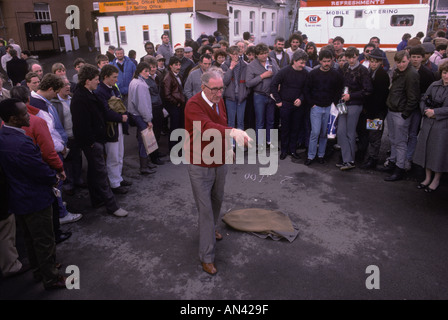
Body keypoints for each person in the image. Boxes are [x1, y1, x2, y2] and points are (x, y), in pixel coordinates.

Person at [184, 68, 251, 275]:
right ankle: (207, 256)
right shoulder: (193, 104)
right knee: (205, 210)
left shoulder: (219, 100)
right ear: (203, 87)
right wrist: (234, 131)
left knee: (217, 200)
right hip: (199, 163)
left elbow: (221, 124)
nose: (219, 93)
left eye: (221, 88)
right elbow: (206, 127)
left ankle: (212, 229)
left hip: (219, 160)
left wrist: (229, 147)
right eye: (215, 89)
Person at [0, 98, 67, 289]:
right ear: (13, 118)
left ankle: (40, 270)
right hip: (34, 198)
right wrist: (54, 177)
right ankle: (51, 277)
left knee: (31, 239)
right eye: (24, 113)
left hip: (19, 198)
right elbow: (40, 170)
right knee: (44, 240)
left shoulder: (4, 136)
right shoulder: (20, 143)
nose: (29, 116)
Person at [70, 64, 128, 217]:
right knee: (101, 174)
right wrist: (91, 142)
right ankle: (112, 206)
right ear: (87, 80)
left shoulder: (89, 92)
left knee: (94, 172)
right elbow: (81, 124)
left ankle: (96, 199)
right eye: (96, 79)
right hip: (92, 142)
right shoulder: (80, 98)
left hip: (95, 140)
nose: (98, 81)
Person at [383, 50, 420, 181]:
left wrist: (405, 114)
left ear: (408, 60)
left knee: (400, 142)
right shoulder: (399, 72)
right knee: (393, 139)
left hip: (400, 113)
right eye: (398, 62)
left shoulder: (411, 74)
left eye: (403, 62)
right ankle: (392, 162)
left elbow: (413, 97)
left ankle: (400, 168)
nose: (400, 65)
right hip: (392, 110)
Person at [94, 64, 132, 191]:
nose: (117, 80)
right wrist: (121, 117)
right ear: (106, 77)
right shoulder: (100, 91)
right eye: (114, 77)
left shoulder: (112, 88)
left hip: (118, 126)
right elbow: (105, 112)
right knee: (113, 156)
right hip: (110, 128)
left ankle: (118, 178)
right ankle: (114, 183)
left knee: (120, 153)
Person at [413, 61, 448, 192]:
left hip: (443, 125)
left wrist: (436, 112)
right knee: (427, 150)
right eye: (444, 73)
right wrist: (426, 110)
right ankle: (427, 177)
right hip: (428, 123)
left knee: (439, 153)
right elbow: (423, 99)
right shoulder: (434, 85)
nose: (446, 76)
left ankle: (436, 179)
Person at [305, 49, 344, 165]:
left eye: (329, 61)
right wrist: (312, 103)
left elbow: (339, 89)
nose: (327, 64)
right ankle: (310, 156)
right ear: (320, 61)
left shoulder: (336, 74)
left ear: (332, 60)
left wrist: (334, 103)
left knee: (324, 133)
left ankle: (321, 155)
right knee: (315, 132)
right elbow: (307, 89)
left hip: (329, 107)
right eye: (324, 61)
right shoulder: (313, 74)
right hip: (316, 107)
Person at [337, 46, 373, 171]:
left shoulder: (363, 70)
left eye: (353, 57)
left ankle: (349, 160)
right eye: (348, 57)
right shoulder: (346, 67)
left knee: (350, 133)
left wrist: (351, 96)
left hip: (355, 104)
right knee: (341, 132)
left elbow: (368, 91)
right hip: (343, 103)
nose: (351, 60)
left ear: (357, 56)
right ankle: (346, 158)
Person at [270, 50, 309, 160]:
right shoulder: (284, 71)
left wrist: (301, 99)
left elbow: (306, 89)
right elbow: (273, 85)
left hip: (298, 106)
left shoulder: (305, 73)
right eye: (301, 63)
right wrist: (278, 100)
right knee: (285, 128)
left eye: (304, 63)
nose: (303, 65)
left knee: (295, 128)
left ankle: (292, 150)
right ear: (294, 61)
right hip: (285, 104)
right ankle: (284, 150)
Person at [50, 77, 85, 196]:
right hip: (64, 137)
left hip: (76, 135)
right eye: (64, 85)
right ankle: (69, 184)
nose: (68, 86)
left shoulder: (73, 98)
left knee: (77, 158)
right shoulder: (55, 103)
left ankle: (78, 180)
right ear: (58, 88)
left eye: (68, 84)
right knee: (67, 162)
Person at [358, 49, 390, 169]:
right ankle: (369, 157)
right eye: (372, 61)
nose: (373, 64)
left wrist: (372, 112)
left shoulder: (381, 75)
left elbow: (379, 97)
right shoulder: (370, 72)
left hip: (376, 111)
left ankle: (373, 159)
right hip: (371, 110)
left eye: (376, 61)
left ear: (380, 62)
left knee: (374, 136)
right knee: (370, 135)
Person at [406, 45, 436, 170]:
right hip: (405, 106)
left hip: (417, 108)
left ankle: (408, 158)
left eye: (418, 57)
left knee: (413, 133)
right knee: (402, 133)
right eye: (413, 57)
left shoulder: (427, 74)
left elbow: (429, 94)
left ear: (423, 58)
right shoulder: (405, 70)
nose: (415, 60)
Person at [246, 43, 280, 151]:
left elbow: (279, 73)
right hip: (259, 95)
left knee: (271, 120)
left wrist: (279, 84)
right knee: (260, 121)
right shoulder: (252, 65)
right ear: (256, 55)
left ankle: (270, 142)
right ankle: (260, 144)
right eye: (261, 54)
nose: (264, 55)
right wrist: (262, 76)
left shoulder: (272, 61)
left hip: (272, 95)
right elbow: (248, 83)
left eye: (266, 53)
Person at [127, 62, 158, 175]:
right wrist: (148, 119)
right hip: (140, 116)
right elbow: (143, 104)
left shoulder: (135, 81)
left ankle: (146, 163)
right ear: (139, 71)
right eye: (145, 71)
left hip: (135, 114)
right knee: (144, 141)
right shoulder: (140, 85)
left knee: (143, 140)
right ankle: (144, 166)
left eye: (148, 71)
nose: (148, 73)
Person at [161, 56, 186, 151]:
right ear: (171, 66)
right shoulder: (168, 77)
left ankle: (179, 148)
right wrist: (176, 103)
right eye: (176, 64)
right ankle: (173, 149)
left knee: (180, 126)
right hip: (174, 106)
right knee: (174, 128)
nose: (178, 66)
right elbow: (167, 95)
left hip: (179, 105)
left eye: (179, 64)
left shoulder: (178, 75)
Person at [223, 45, 248, 134]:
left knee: (240, 122)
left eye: (237, 54)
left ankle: (240, 143)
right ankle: (231, 144)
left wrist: (245, 93)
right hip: (230, 96)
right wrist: (231, 68)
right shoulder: (225, 65)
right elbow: (225, 81)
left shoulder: (245, 65)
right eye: (233, 54)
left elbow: (247, 82)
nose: (235, 56)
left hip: (241, 96)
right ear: (229, 54)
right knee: (231, 122)